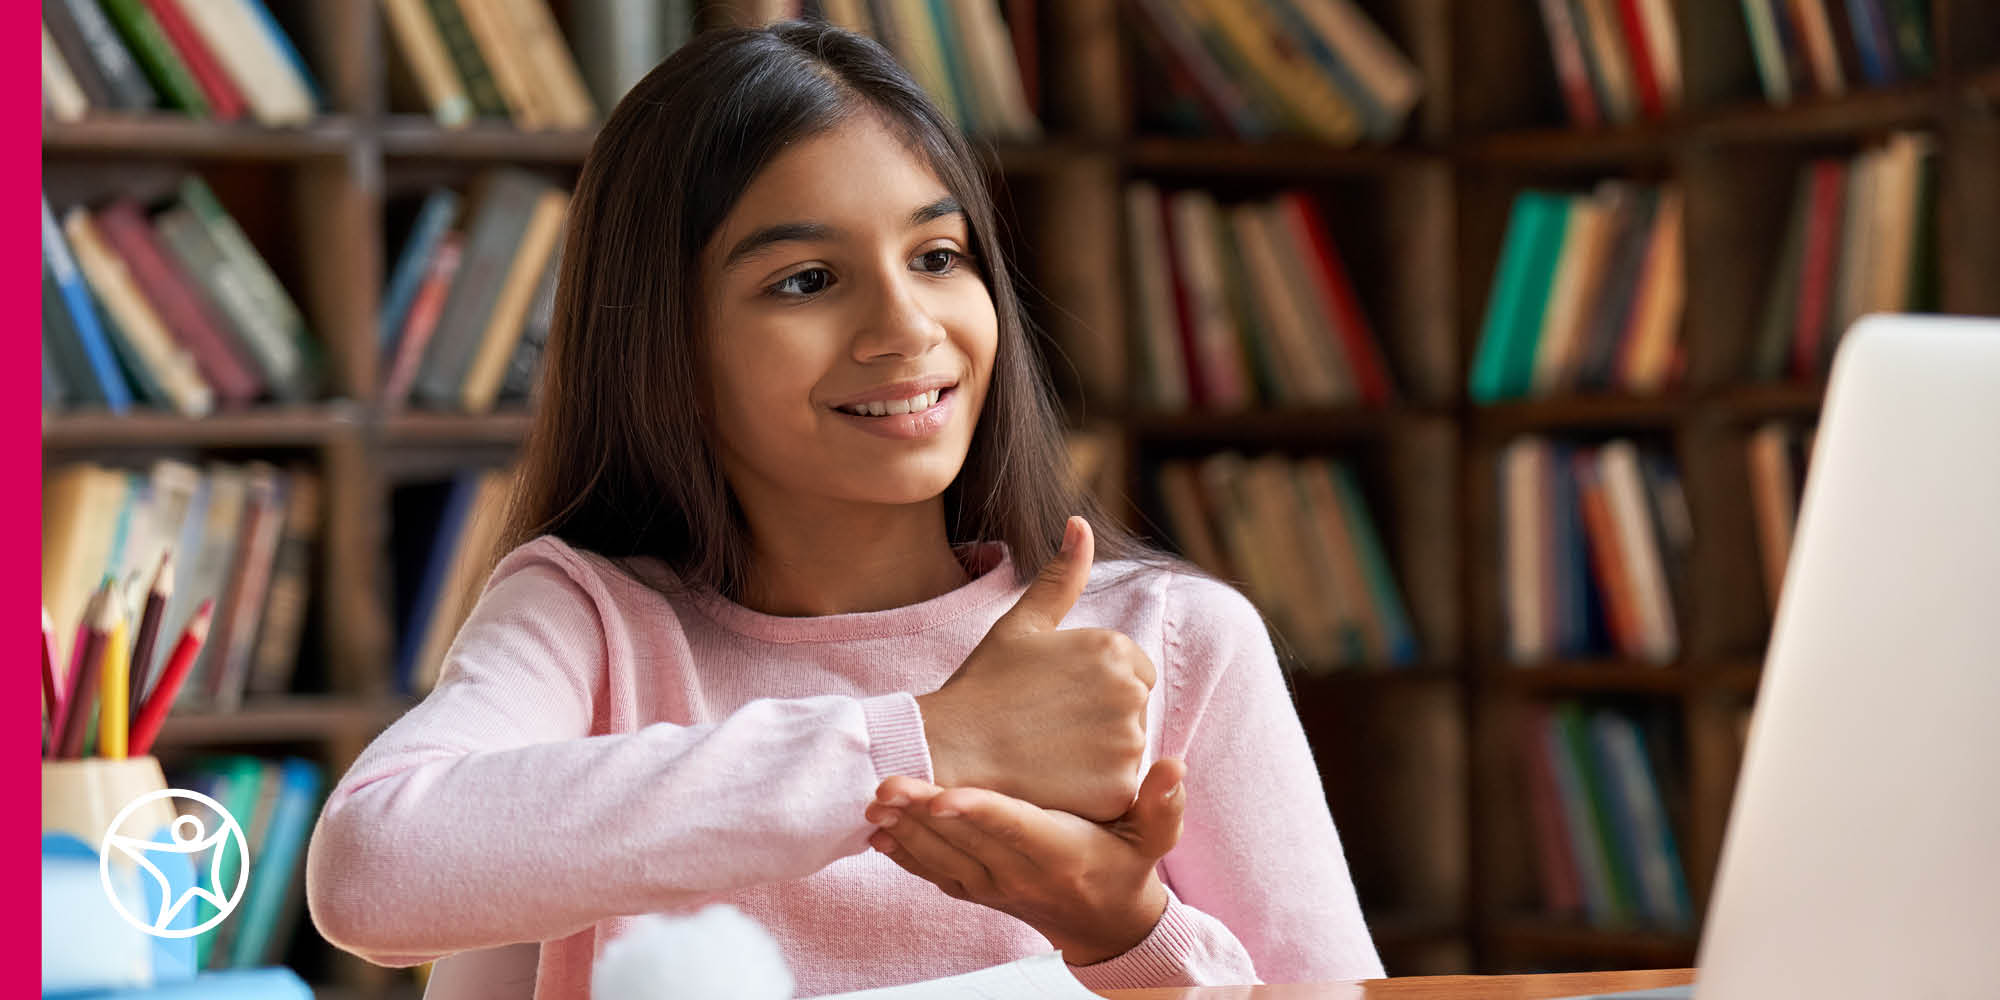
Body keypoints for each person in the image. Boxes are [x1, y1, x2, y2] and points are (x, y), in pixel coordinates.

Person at [304, 20, 1382, 999]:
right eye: (806, 280)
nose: (906, 327)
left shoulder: (1170, 642)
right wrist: (929, 740)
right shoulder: (591, 622)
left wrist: (1123, 935)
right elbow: (374, 869)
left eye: (937, 256)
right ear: (665, 347)